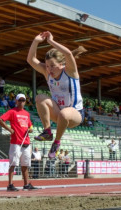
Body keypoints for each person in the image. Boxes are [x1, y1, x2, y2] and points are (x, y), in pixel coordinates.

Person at [27, 31, 86, 159]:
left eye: (52, 66)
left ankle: (56, 143)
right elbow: (31, 60)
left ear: (61, 64)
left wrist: (51, 41)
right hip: (58, 112)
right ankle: (47, 131)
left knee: (64, 113)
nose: (49, 69)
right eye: (47, 66)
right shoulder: (47, 73)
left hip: (75, 114)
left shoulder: (70, 71)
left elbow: (68, 53)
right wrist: (36, 41)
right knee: (40, 98)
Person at [0, 94, 38, 191]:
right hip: (16, 142)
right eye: (20, 100)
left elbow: (30, 125)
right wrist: (9, 129)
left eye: (23, 100)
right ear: (16, 101)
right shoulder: (12, 111)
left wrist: (31, 129)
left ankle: (26, 184)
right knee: (13, 164)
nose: (22, 102)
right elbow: (0, 120)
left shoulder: (27, 113)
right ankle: (10, 185)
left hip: (26, 143)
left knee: (25, 165)